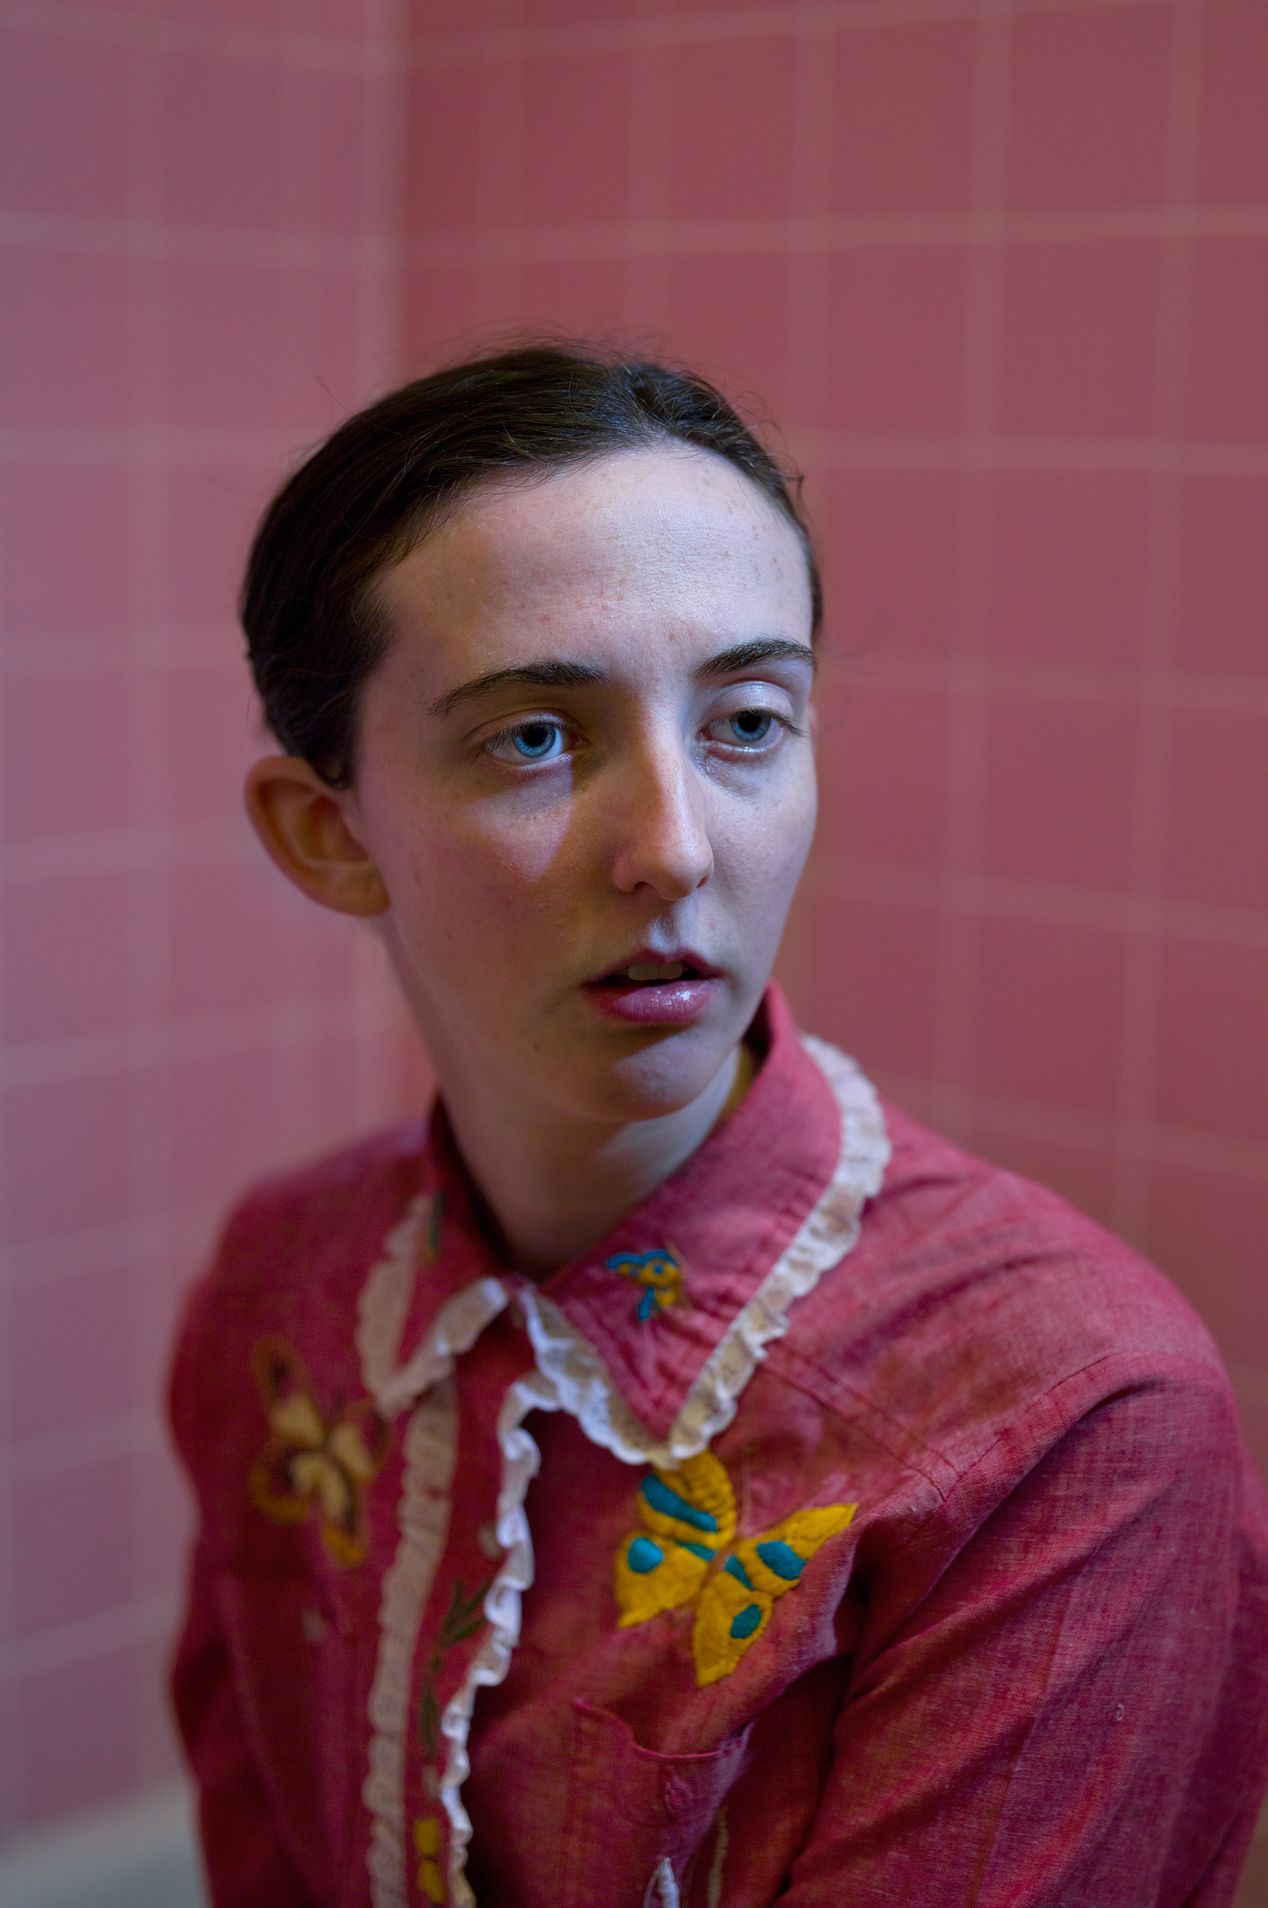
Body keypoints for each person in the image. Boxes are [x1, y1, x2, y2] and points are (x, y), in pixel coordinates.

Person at [167, 340, 1268, 1908]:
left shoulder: (1071, 1416)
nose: (675, 851)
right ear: (328, 835)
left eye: (748, 722)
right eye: (535, 737)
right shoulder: (285, 1297)